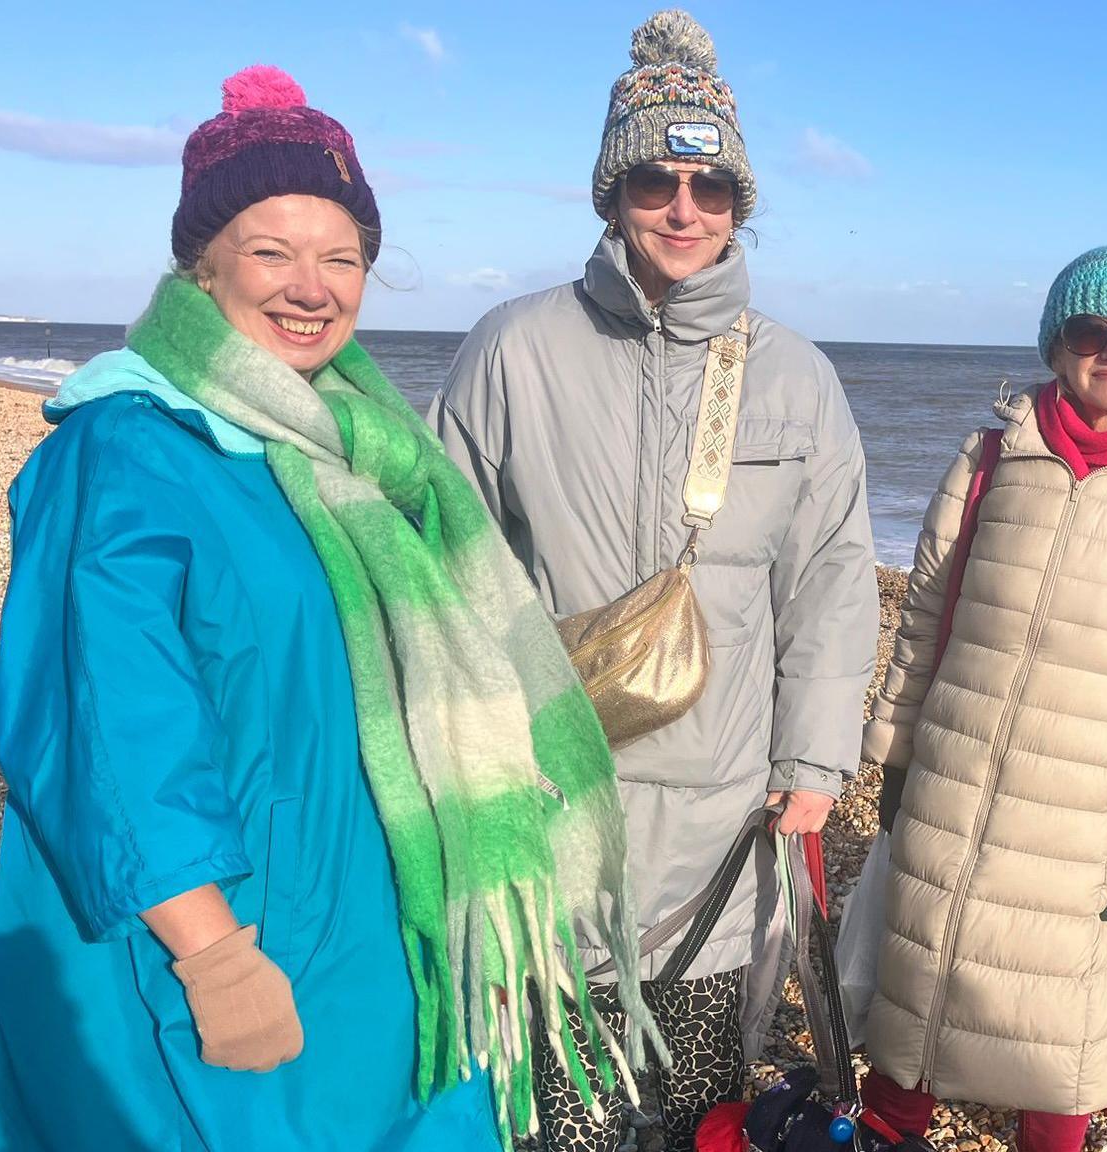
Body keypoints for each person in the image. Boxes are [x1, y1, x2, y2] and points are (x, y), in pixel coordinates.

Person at [0, 66, 650, 1151]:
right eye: (272, 250)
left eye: (342, 257)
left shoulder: (360, 450)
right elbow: (108, 727)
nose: (312, 286)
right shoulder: (128, 449)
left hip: (378, 931)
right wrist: (212, 955)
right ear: (204, 267)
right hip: (209, 944)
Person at [429, 10, 878, 1150]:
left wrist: (814, 760)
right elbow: (444, 567)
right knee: (552, 1124)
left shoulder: (797, 376)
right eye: (654, 181)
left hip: (724, 829)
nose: (683, 210)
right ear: (610, 194)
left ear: (739, 206)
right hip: (549, 816)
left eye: (710, 187)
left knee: (692, 1116)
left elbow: (830, 581)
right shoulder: (512, 347)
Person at [858, 245, 1107, 1152]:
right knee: (910, 1014)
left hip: (1084, 823)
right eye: (1090, 329)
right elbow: (923, 620)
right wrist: (897, 754)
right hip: (951, 787)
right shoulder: (989, 459)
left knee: (1056, 1051)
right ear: (1054, 343)